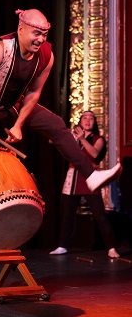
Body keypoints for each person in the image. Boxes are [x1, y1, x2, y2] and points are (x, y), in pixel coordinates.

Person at [0, 9, 121, 194]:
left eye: (44, 34)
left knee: (56, 124)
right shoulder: (0, 49)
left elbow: (34, 93)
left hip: (13, 105)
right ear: (21, 29)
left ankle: (91, 175)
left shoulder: (46, 56)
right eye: (36, 33)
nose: (40, 39)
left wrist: (18, 126)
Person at [49, 111, 120, 258]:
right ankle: (62, 245)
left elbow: (94, 154)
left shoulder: (97, 139)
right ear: (80, 121)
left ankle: (112, 247)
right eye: (85, 118)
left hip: (90, 177)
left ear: (94, 123)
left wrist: (83, 139)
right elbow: (52, 140)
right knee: (67, 215)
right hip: (73, 177)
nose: (88, 120)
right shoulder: (72, 136)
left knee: (99, 215)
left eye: (91, 118)